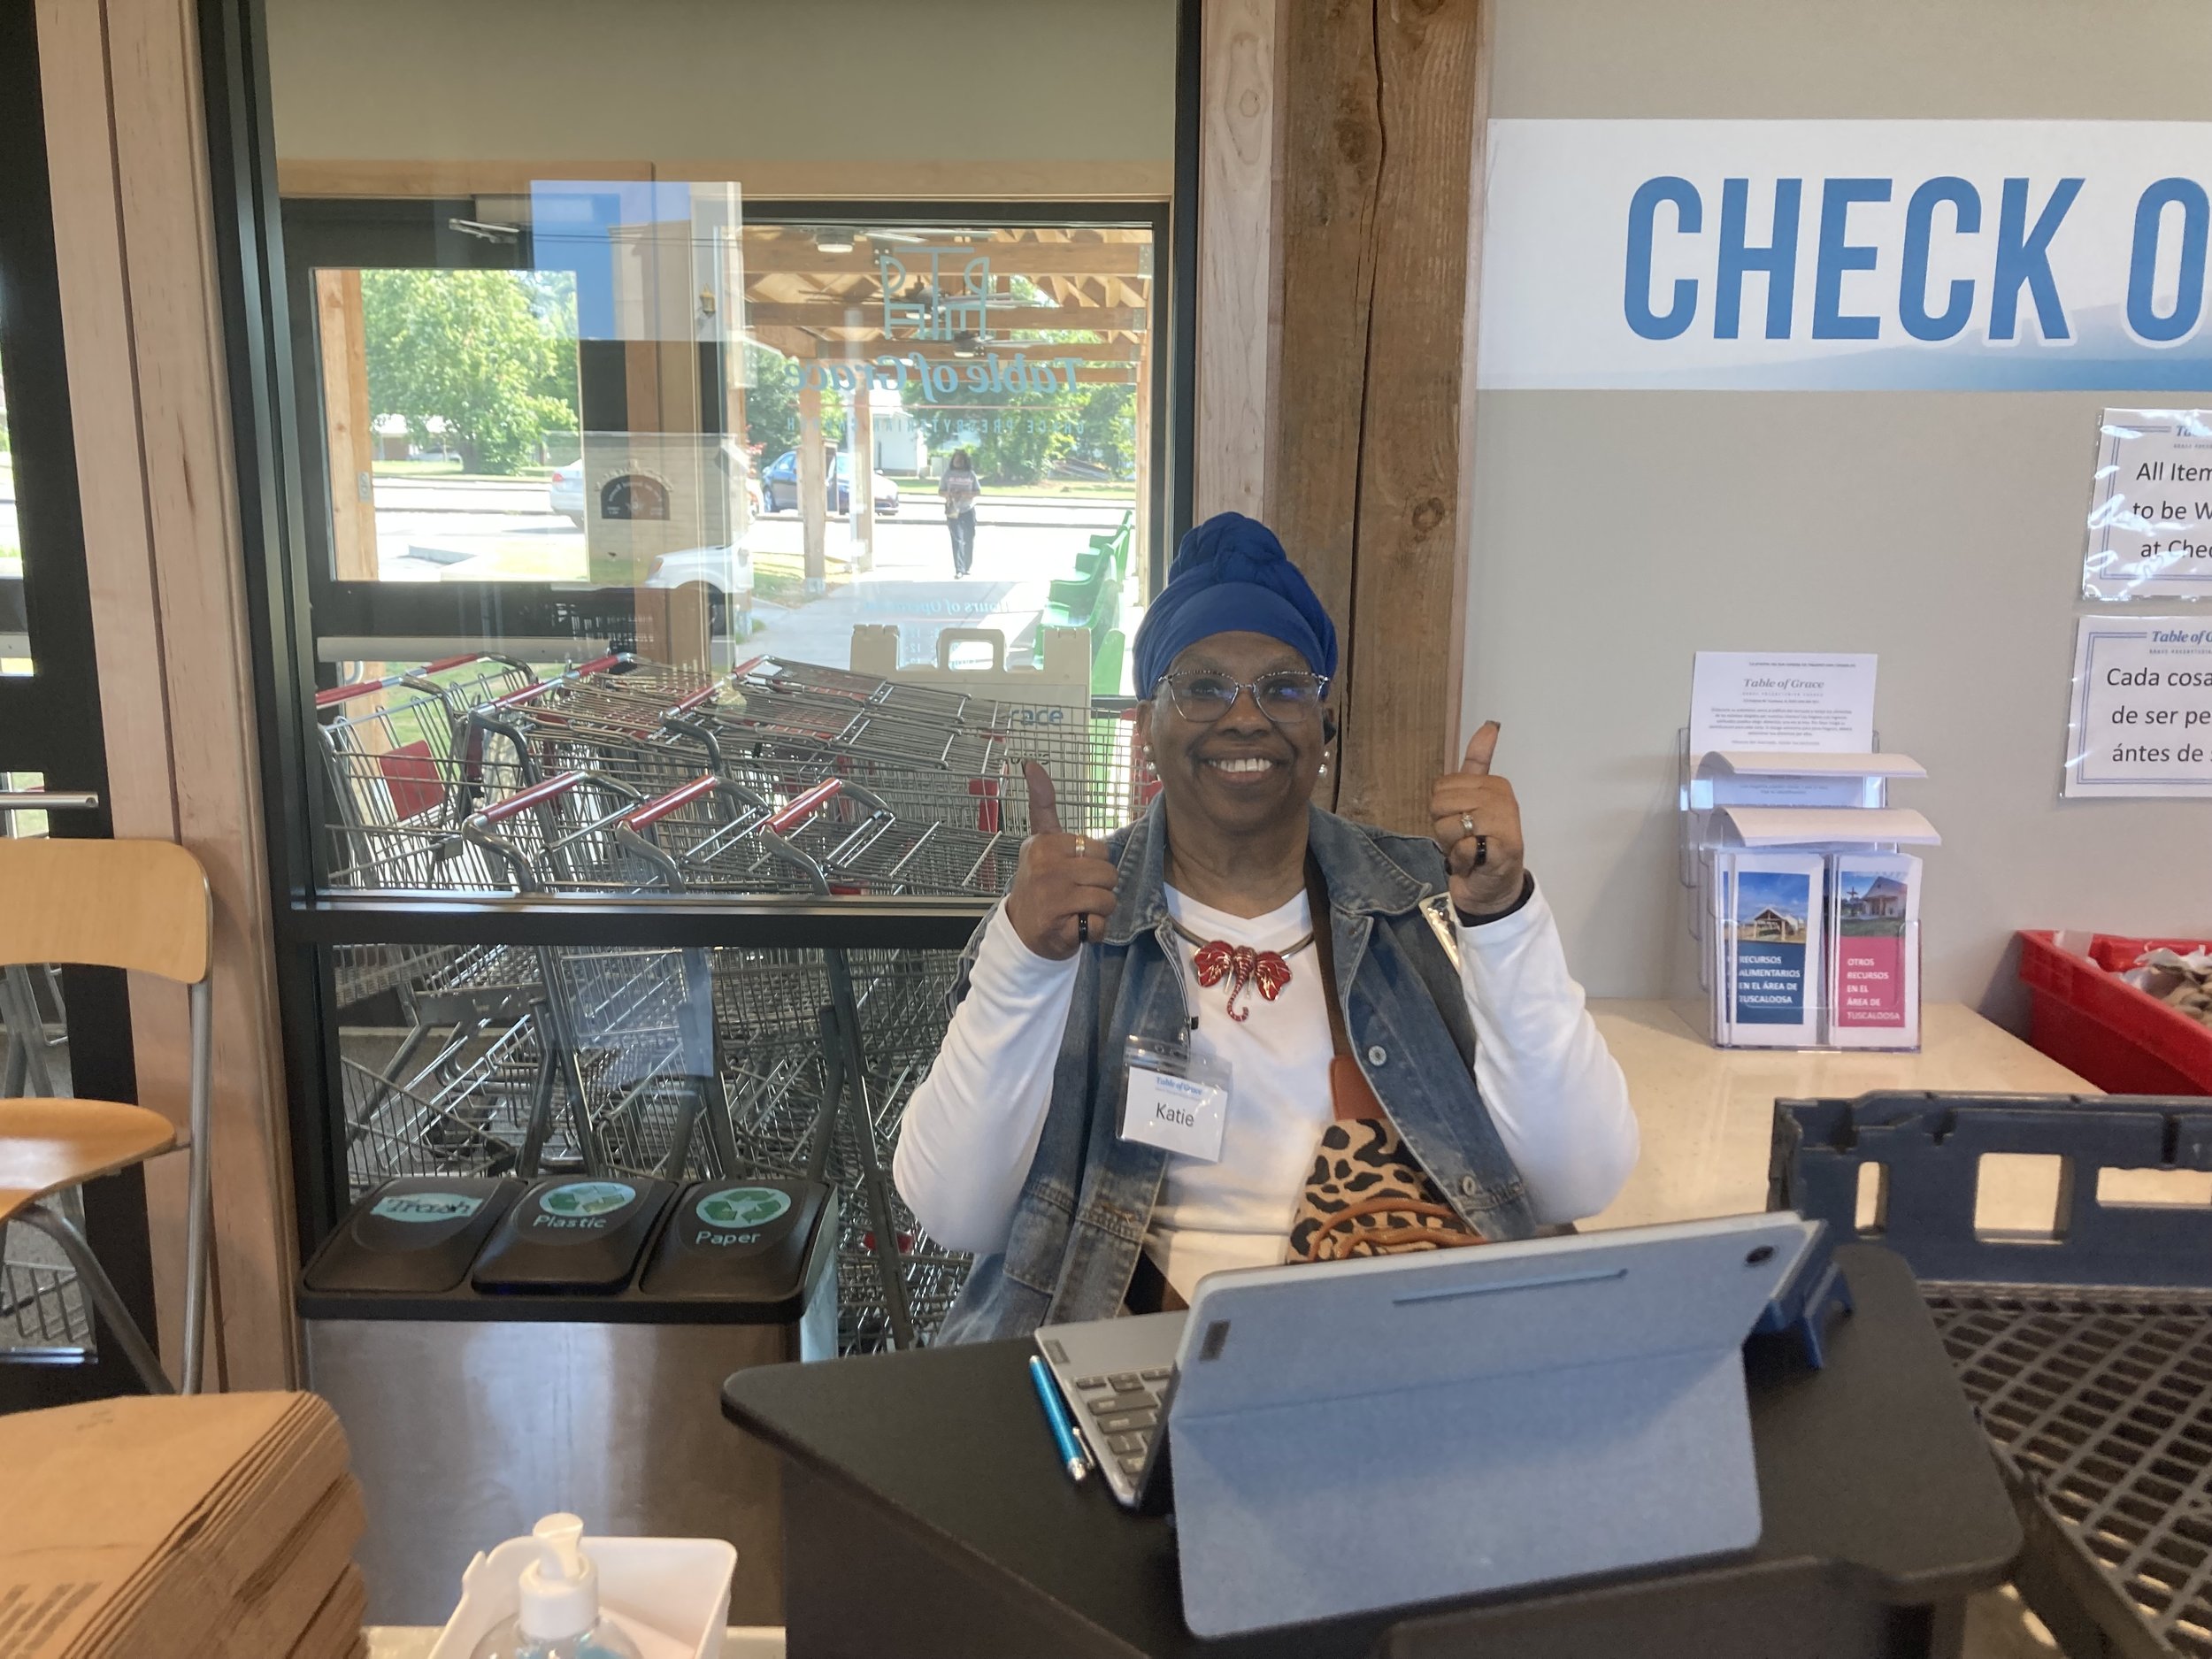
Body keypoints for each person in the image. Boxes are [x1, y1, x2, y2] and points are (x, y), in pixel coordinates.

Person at [893, 511, 1638, 1342]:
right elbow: (955, 1212)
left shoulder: (1430, 900)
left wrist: (1502, 919)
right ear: (1149, 728)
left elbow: (1580, 1179)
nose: (1244, 716)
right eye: (1203, 685)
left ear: (1326, 724)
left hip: (1400, 1345)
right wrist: (1023, 963)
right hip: (1137, 1350)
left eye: (1284, 686)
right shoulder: (1067, 921)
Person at [939, 450, 979, 577]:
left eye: (960, 460)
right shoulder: (947, 474)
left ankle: (967, 566)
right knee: (957, 539)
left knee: (969, 538)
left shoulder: (970, 475)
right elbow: (940, 491)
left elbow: (977, 492)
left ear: (965, 462)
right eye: (956, 459)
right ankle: (959, 569)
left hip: (968, 509)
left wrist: (964, 494)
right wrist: (950, 494)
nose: (957, 462)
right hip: (953, 510)